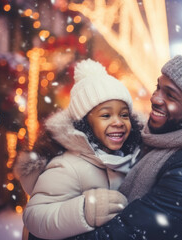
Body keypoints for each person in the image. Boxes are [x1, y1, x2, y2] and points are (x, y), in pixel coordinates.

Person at [27, 55, 182, 240]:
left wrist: (44, 234)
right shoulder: (148, 144)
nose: (155, 98)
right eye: (158, 87)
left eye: (170, 95)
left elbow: (120, 236)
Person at [13, 59, 142, 239]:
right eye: (106, 115)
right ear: (84, 122)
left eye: (124, 114)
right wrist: (85, 210)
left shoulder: (131, 157)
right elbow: (34, 216)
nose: (118, 122)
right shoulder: (69, 165)